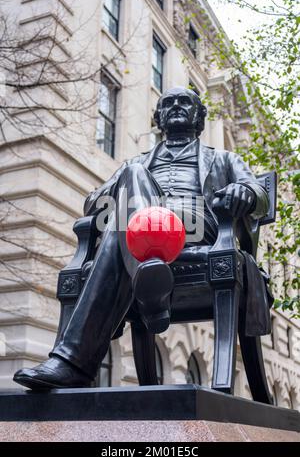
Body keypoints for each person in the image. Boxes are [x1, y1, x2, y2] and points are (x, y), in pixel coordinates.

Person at [13, 87, 269, 389]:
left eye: (184, 102)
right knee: (131, 185)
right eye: (167, 103)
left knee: (125, 220)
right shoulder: (138, 164)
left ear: (199, 116)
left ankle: (74, 361)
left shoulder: (222, 159)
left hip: (196, 230)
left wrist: (245, 191)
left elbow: (260, 193)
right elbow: (92, 203)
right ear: (158, 117)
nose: (175, 106)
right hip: (140, 234)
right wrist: (123, 191)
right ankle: (150, 283)